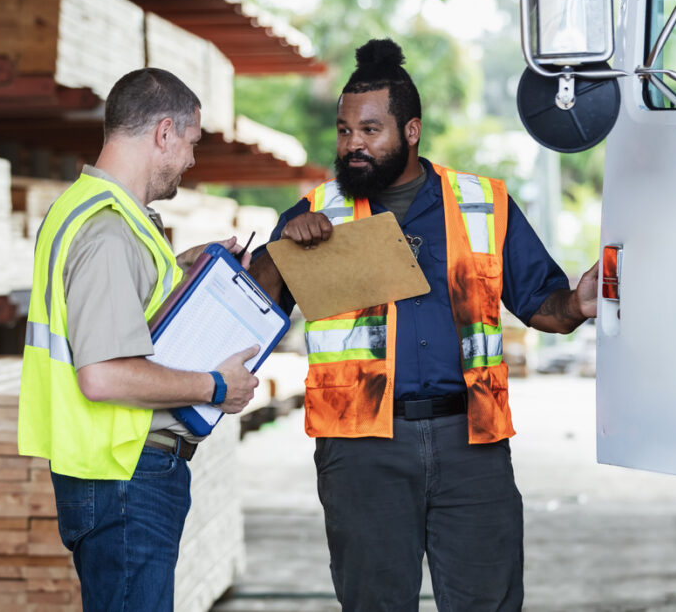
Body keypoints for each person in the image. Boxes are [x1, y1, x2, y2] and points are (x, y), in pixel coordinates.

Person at [248, 39, 599, 612]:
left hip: (472, 444)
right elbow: (255, 309)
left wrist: (578, 304)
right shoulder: (318, 210)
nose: (352, 145)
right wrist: (281, 248)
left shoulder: (483, 202)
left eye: (369, 131)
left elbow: (542, 305)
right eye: (343, 132)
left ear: (410, 131)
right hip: (362, 449)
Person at [17, 67, 260, 611]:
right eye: (191, 144)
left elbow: (113, 308)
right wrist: (215, 386)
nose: (192, 161)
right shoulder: (109, 231)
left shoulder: (84, 210)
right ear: (164, 132)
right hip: (124, 472)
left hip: (108, 471)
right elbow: (102, 375)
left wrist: (183, 267)